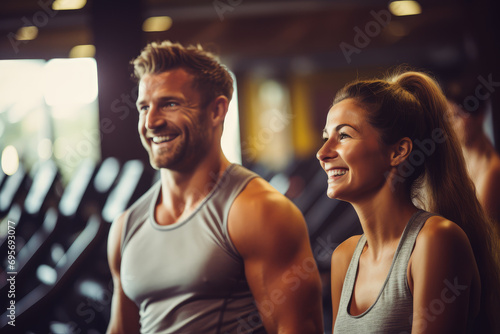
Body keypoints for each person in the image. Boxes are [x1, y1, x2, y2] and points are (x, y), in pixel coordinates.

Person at [106, 41, 324, 334]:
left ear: (216, 111)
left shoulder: (260, 212)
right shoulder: (125, 227)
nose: (151, 121)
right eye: (144, 107)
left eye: (170, 103)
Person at [316, 70, 500, 333]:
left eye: (343, 135)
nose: (322, 152)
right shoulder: (344, 258)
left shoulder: (436, 241)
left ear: (399, 151)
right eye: (326, 137)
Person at [447, 88, 500, 224]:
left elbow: (479, 227)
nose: (452, 123)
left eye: (458, 115)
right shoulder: (454, 157)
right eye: (449, 116)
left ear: (479, 115)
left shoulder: (492, 170)